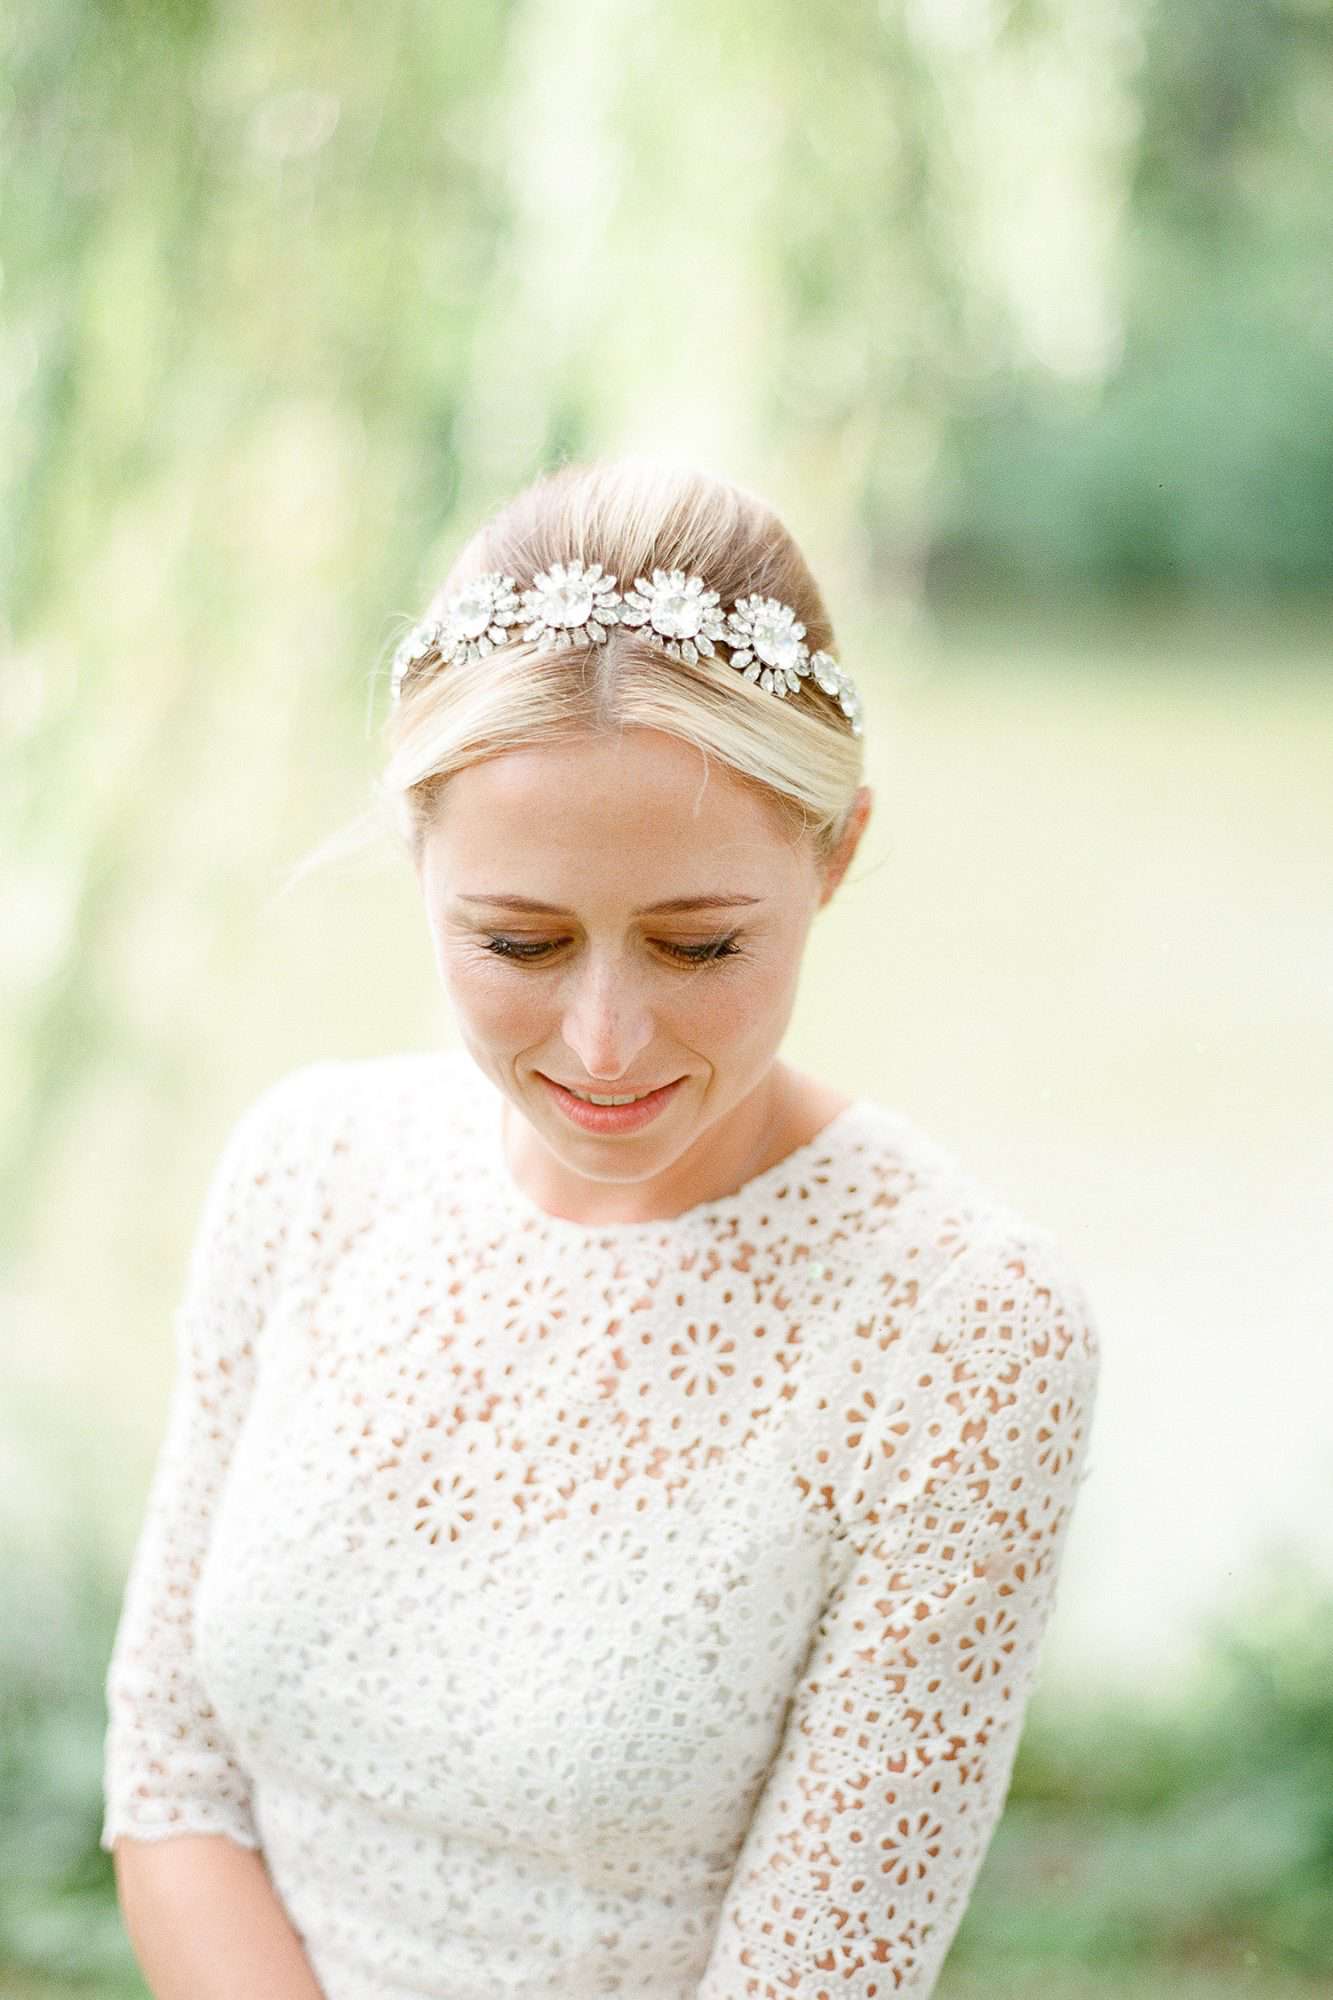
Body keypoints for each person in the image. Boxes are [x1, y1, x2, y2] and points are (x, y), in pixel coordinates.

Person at [101, 456, 1102, 1999]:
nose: (607, 1040)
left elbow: (819, 1972)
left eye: (698, 944)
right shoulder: (309, 1169)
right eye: (520, 941)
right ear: (417, 851)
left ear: (832, 857)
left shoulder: (961, 1329)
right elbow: (169, 1767)